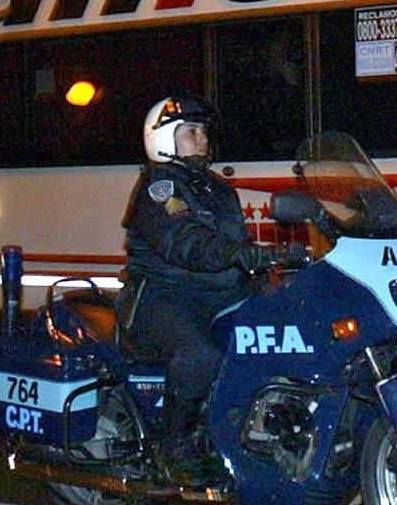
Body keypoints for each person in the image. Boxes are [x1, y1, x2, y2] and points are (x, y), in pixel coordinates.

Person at [120, 94, 301, 483]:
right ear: (165, 139)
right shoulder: (159, 188)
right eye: (190, 132)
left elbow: (237, 249)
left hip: (219, 297)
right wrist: (238, 254)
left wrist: (276, 262)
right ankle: (174, 444)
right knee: (201, 354)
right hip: (163, 298)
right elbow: (185, 240)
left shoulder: (218, 189)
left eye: (203, 131)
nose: (202, 139)